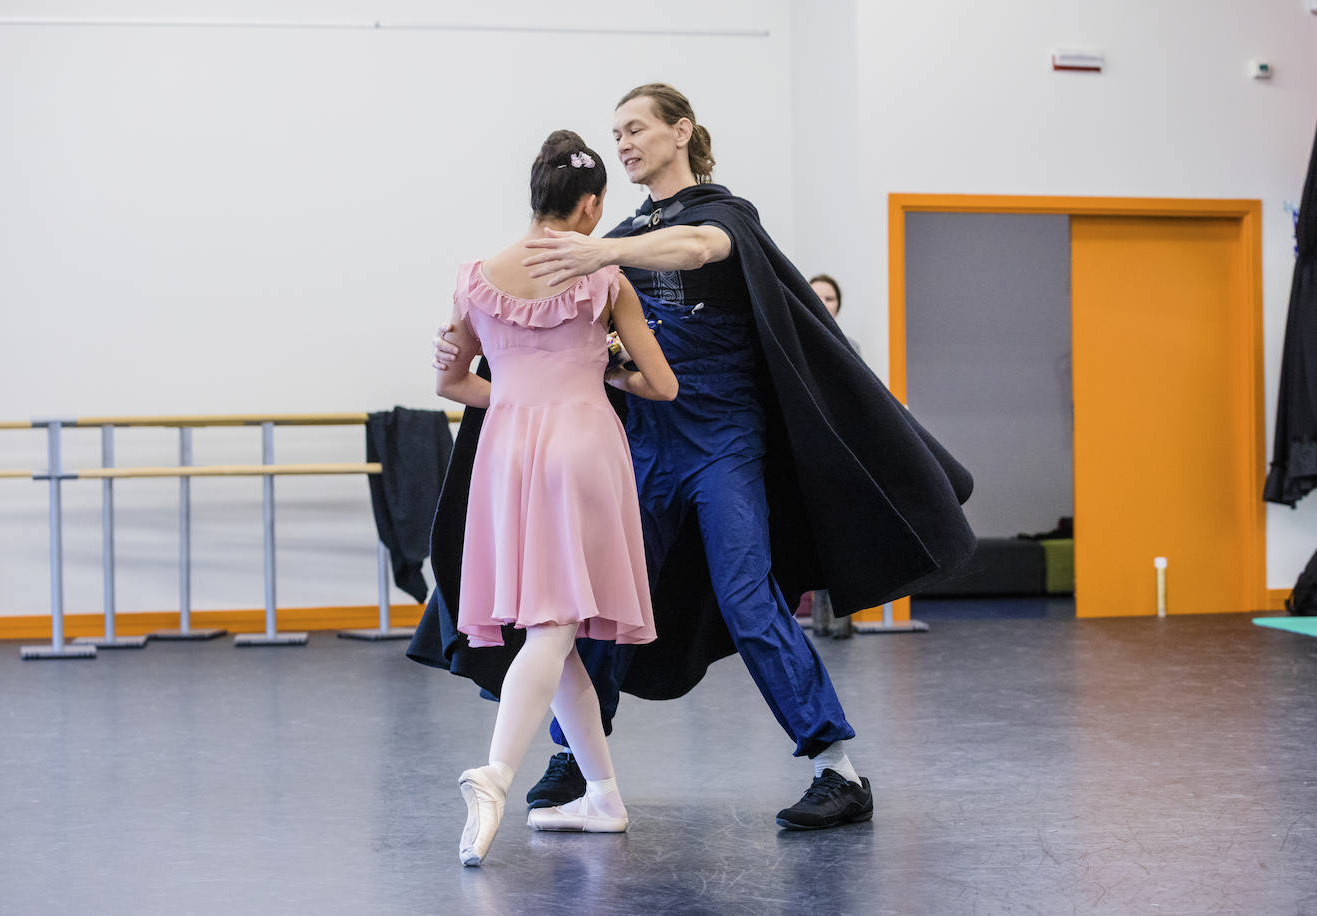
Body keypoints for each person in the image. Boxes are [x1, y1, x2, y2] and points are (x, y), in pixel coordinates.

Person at [415, 84, 975, 832]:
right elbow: (533, 319)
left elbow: (700, 248)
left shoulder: (719, 214)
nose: (623, 143)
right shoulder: (615, 236)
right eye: (615, 133)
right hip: (641, 449)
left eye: (637, 128)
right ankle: (578, 759)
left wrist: (604, 251)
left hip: (722, 445)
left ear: (681, 131)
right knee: (591, 607)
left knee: (749, 596)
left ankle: (835, 767)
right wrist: (459, 348)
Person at [434, 130, 678, 866]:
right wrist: (602, 372)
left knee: (554, 626)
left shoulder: (475, 278)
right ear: (591, 205)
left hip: (505, 453)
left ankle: (602, 795)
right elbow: (662, 385)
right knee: (555, 625)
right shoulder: (606, 278)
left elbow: (451, 383)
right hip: (582, 450)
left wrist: (513, 395)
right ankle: (497, 773)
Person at [803, 273, 856, 639]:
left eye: (830, 298)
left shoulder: (848, 346)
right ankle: (819, 620)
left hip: (841, 453)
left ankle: (841, 620)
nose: (824, 303)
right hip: (805, 452)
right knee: (812, 539)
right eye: (817, 296)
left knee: (843, 538)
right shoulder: (793, 342)